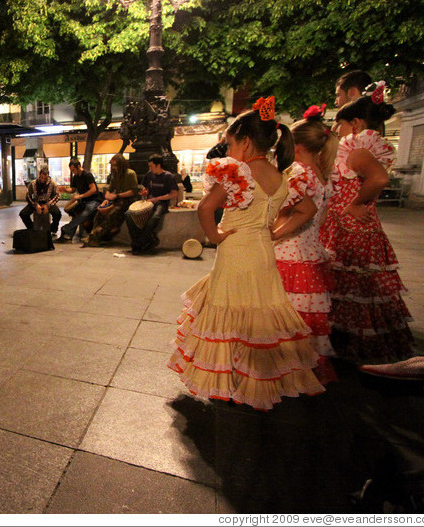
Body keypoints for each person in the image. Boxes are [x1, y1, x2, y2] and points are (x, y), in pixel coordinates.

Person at [167, 98, 324, 410]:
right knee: (260, 315)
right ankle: (257, 381)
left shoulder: (238, 173)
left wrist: (215, 236)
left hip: (235, 251)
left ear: (246, 142)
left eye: (230, 144)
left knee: (228, 313)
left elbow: (205, 207)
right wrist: (275, 233)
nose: (227, 151)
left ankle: (228, 381)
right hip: (264, 253)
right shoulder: (283, 177)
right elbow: (307, 209)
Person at [320, 85, 414, 364]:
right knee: (361, 289)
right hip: (356, 228)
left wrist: (355, 203)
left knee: (355, 287)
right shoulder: (365, 147)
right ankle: (358, 343)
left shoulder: (358, 150)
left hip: (352, 230)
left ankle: (357, 346)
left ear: (356, 124)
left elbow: (379, 180)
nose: (337, 128)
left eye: (341, 122)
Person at [271, 104, 338, 385]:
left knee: (286, 314)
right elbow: (317, 215)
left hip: (290, 252)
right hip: (311, 251)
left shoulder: (298, 172)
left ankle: (286, 369)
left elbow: (303, 212)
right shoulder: (322, 175)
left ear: (296, 146)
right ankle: (308, 366)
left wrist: (275, 234)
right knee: (305, 314)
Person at [126, 154, 179, 254]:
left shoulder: (168, 176)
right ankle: (140, 241)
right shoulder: (149, 175)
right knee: (129, 214)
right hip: (149, 201)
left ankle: (138, 244)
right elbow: (145, 187)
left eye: (151, 166)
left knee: (155, 217)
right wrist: (144, 192)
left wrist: (157, 198)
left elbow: (174, 194)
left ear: (158, 166)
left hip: (161, 203)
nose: (149, 168)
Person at [83, 154, 138, 247]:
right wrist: (107, 196)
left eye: (115, 165)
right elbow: (110, 189)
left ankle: (94, 236)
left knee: (112, 215)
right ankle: (93, 235)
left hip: (127, 201)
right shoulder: (115, 175)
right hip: (117, 199)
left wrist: (117, 195)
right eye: (112, 165)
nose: (113, 167)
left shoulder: (130, 173)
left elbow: (133, 192)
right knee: (99, 213)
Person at [55, 158, 102, 243]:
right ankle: (67, 236)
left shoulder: (87, 175)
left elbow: (93, 189)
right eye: (71, 170)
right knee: (76, 215)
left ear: (79, 166)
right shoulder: (76, 177)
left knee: (84, 214)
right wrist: (65, 190)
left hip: (94, 200)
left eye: (73, 169)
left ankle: (67, 229)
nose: (72, 172)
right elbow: (73, 190)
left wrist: (81, 196)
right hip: (84, 200)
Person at [20, 167, 61, 234]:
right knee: (23, 213)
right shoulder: (33, 183)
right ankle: (31, 228)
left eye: (45, 178)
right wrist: (35, 205)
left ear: (48, 176)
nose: (43, 180)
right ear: (39, 175)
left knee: (57, 214)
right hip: (36, 202)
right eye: (41, 177)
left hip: (48, 202)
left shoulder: (53, 183)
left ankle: (53, 229)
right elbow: (28, 196)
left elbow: (57, 196)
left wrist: (48, 205)